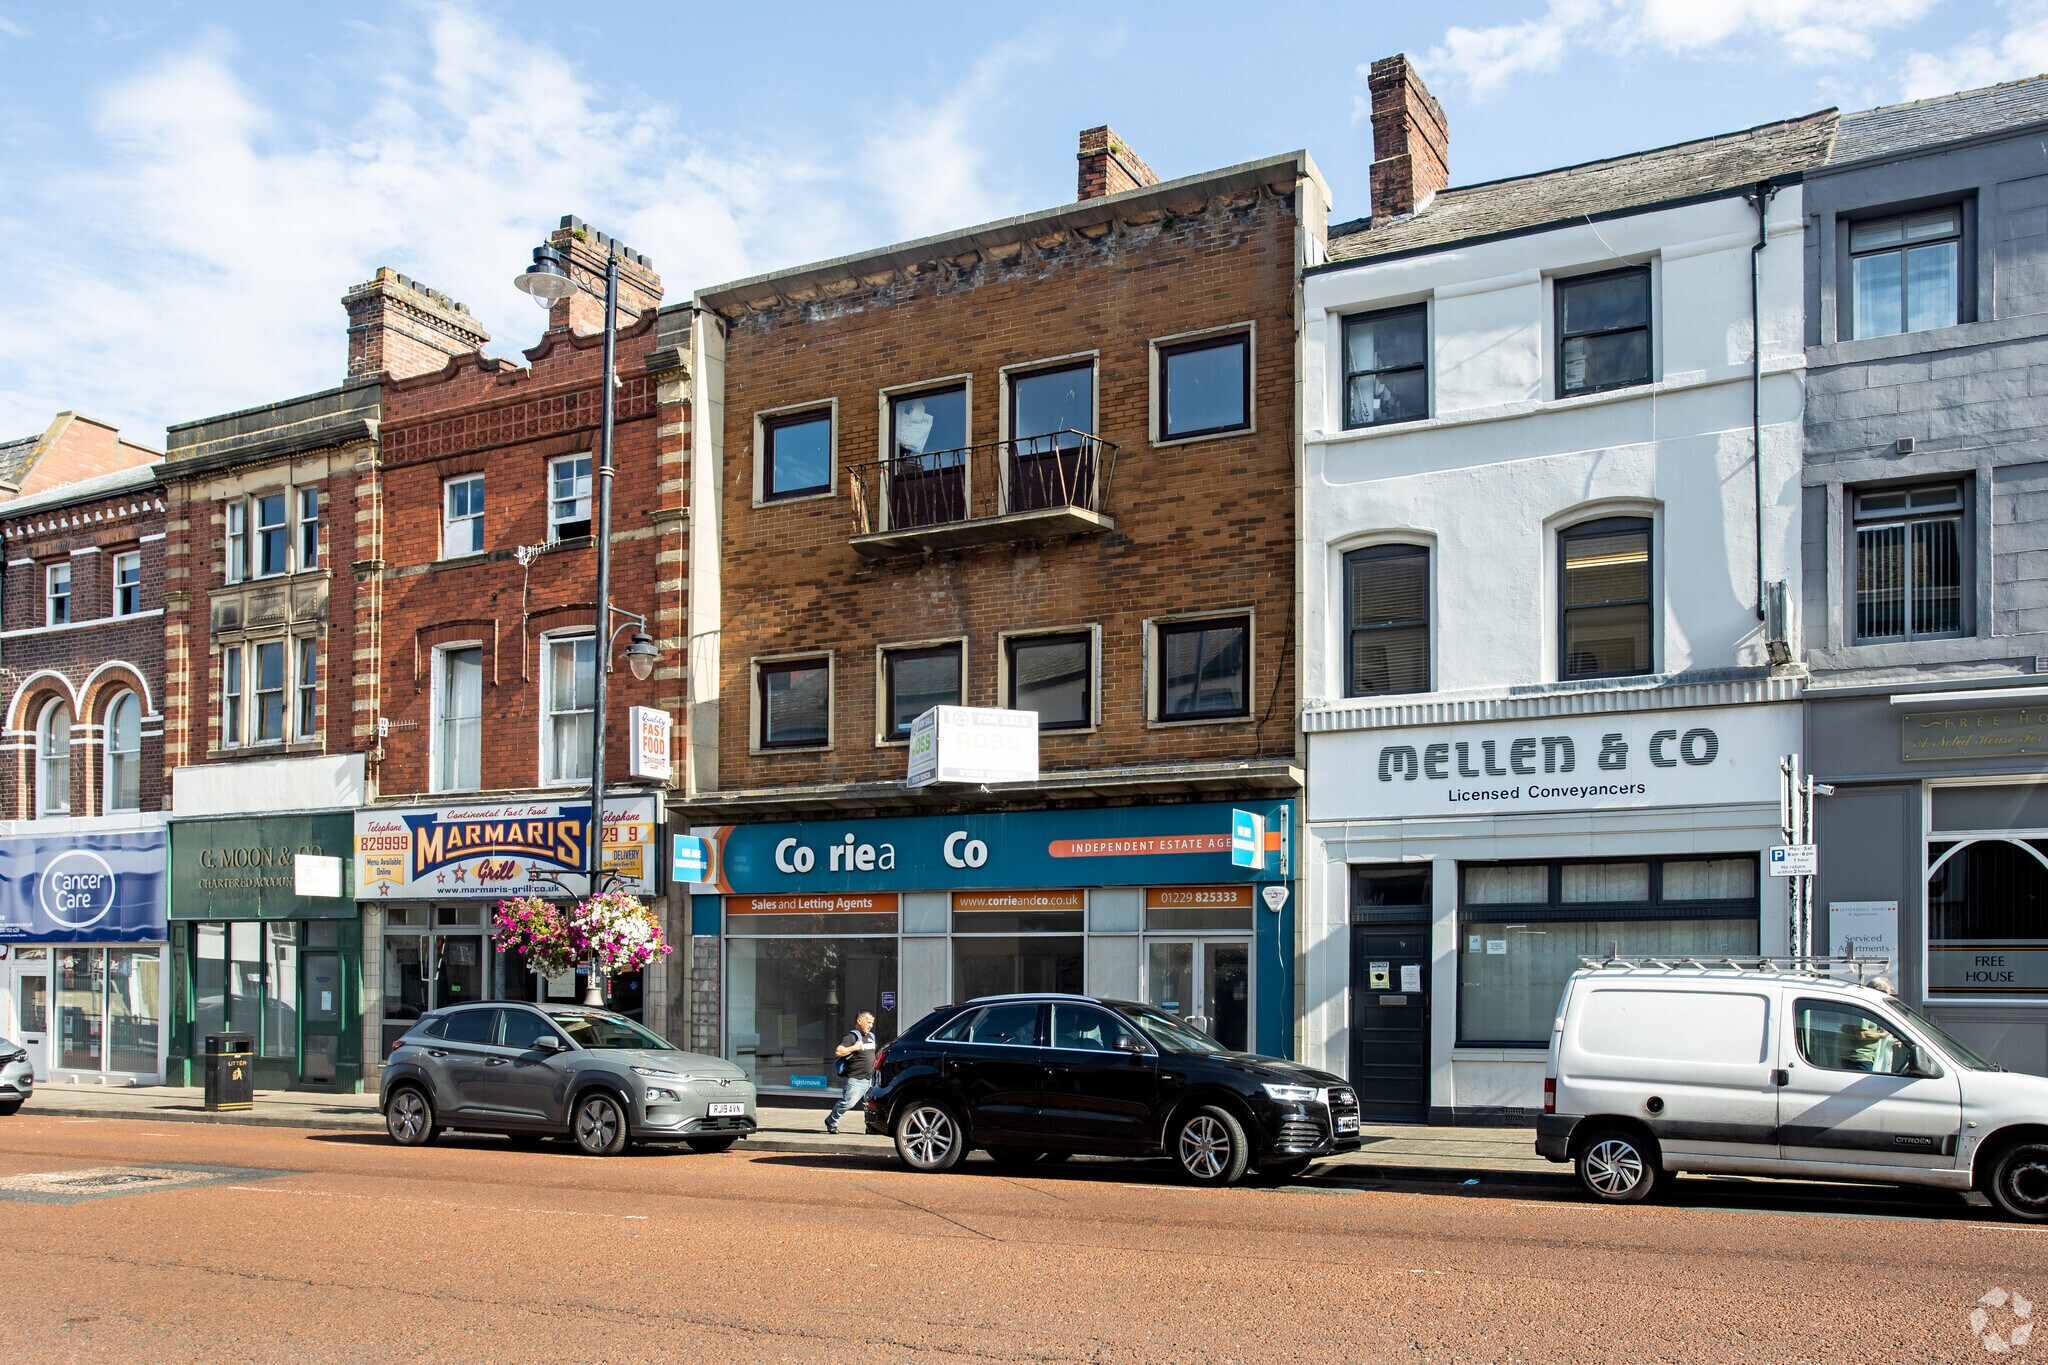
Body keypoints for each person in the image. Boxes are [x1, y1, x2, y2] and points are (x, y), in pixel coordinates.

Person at [825, 1010, 877, 1135]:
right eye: (868, 1022)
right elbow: (839, 1051)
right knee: (848, 1103)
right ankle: (831, 1121)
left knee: (869, 1105)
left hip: (869, 1079)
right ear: (859, 1021)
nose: (870, 1025)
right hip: (855, 1080)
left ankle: (870, 1127)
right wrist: (854, 1047)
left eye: (872, 1023)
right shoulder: (852, 1037)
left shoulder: (871, 1037)